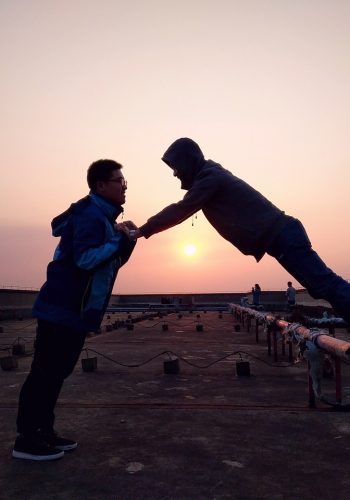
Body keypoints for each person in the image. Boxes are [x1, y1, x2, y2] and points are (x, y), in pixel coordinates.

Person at [131, 137, 350, 325]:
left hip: (285, 237)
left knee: (326, 285)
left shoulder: (209, 178)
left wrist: (142, 230)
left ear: (187, 162)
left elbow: (181, 209)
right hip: (283, 238)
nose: (175, 174)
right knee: (320, 288)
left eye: (175, 167)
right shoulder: (210, 175)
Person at [13, 159, 137, 461]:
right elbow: (85, 260)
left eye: (124, 181)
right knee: (44, 373)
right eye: (119, 181)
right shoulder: (90, 214)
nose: (125, 187)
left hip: (75, 312)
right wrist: (119, 240)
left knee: (57, 373)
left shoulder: (103, 218)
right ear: (100, 185)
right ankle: (27, 439)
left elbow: (108, 264)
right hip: (60, 308)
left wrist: (125, 243)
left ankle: (44, 431)